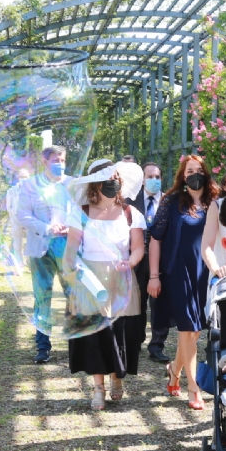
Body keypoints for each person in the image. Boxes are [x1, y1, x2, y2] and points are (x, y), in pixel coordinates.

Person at [61, 160, 146, 410]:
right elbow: (71, 250)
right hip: (90, 279)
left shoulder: (131, 213)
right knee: (96, 334)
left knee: (121, 332)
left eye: (116, 177)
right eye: (108, 178)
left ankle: (117, 378)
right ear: (94, 184)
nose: (113, 182)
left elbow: (138, 247)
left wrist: (130, 262)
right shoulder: (81, 212)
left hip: (121, 278)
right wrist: (73, 270)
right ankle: (98, 388)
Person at [147, 155, 217, 410]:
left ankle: (174, 370)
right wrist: (154, 276)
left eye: (199, 170)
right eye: (190, 170)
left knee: (195, 331)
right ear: (182, 175)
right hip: (177, 272)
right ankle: (193, 388)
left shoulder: (215, 202)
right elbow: (155, 238)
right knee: (188, 329)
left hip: (206, 273)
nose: (194, 174)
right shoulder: (171, 201)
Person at [12, 145, 72, 363]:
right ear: (45, 161)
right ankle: (43, 346)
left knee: (73, 294)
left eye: (63, 160)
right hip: (40, 247)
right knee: (42, 297)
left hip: (68, 247)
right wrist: (47, 228)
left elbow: (83, 213)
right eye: (56, 160)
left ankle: (76, 344)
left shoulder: (72, 184)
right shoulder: (30, 185)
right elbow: (23, 216)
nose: (60, 164)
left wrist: (71, 228)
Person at [137, 161, 170, 363]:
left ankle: (157, 345)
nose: (154, 180)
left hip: (162, 260)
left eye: (157, 177)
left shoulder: (169, 200)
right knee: (137, 303)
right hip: (137, 259)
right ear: (142, 179)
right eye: (150, 177)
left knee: (160, 305)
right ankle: (136, 339)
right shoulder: (131, 201)